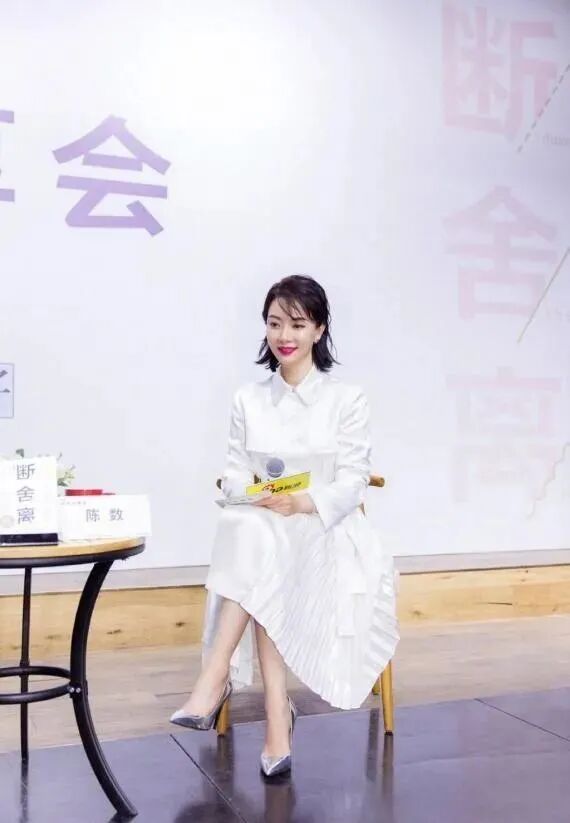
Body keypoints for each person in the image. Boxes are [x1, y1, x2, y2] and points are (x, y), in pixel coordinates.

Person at [171, 274, 398, 777]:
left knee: (254, 543)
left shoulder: (346, 399)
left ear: (319, 329)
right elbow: (233, 473)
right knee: (252, 531)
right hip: (265, 522)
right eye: (275, 324)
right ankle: (275, 715)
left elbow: (353, 481)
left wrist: (303, 503)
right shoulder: (248, 399)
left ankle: (216, 679)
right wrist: (256, 493)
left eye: (297, 324)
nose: (284, 335)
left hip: (324, 528)